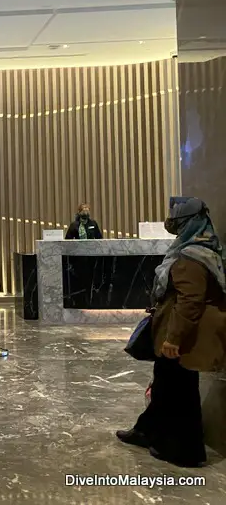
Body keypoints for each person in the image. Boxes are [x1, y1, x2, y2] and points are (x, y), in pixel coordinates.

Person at [117, 198, 226, 467]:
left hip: (184, 336)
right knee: (165, 383)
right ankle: (146, 430)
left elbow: (190, 303)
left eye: (178, 221)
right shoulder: (198, 249)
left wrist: (173, 339)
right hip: (178, 331)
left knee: (180, 390)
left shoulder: (192, 257)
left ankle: (184, 452)